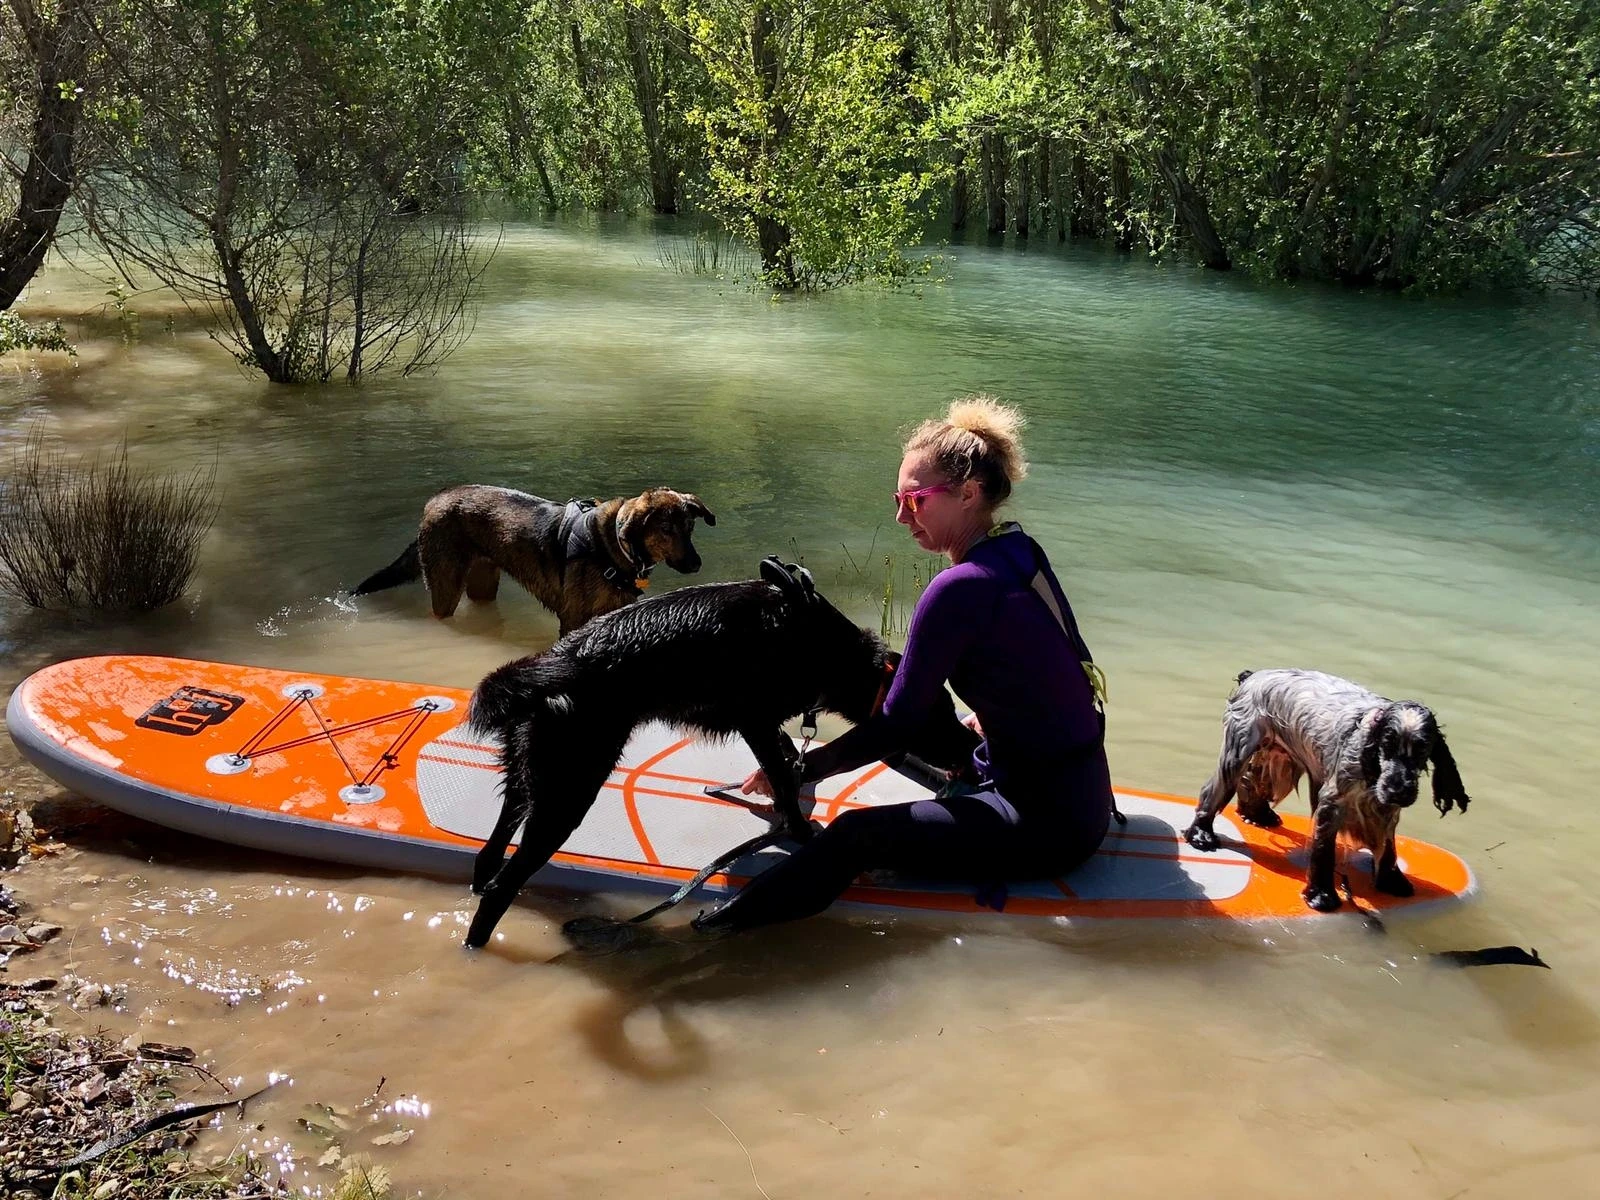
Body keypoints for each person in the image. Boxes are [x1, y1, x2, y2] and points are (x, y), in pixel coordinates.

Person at [691, 396, 1113, 934]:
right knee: (899, 746)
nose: (900, 516)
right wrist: (1002, 714)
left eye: (915, 500)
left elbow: (895, 724)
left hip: (1042, 826)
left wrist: (796, 770)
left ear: (967, 493)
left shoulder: (955, 589)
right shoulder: (1020, 550)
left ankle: (706, 933)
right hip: (1084, 793)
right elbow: (1072, 659)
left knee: (850, 836)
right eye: (899, 499)